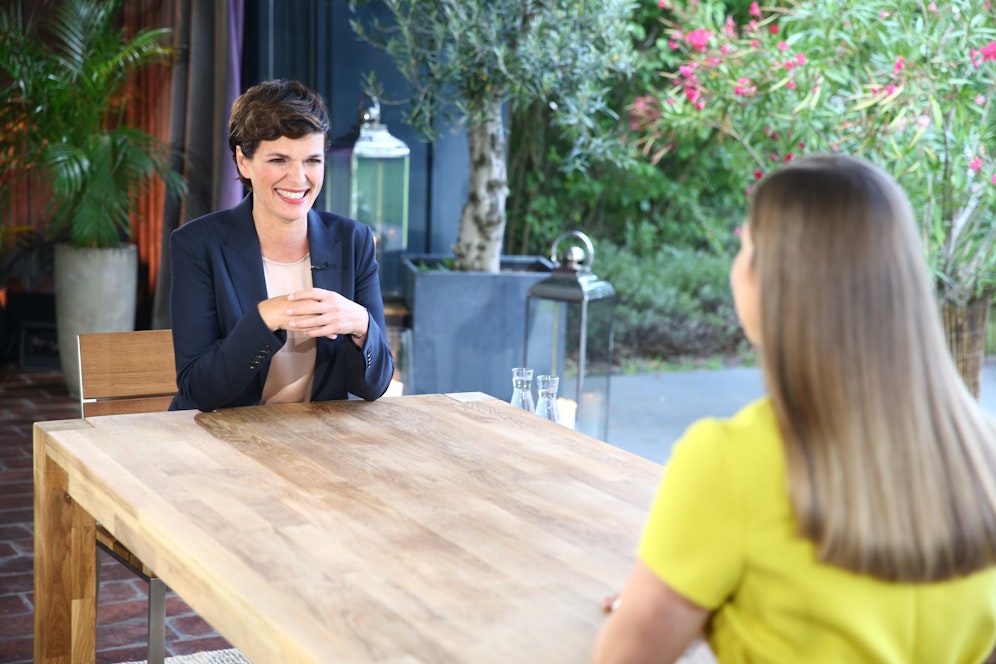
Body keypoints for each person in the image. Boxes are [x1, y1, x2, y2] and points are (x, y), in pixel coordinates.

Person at [594, 154, 996, 663]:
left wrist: (698, 609)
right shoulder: (984, 456)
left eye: (746, 248)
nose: (736, 268)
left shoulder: (726, 459)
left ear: (776, 280)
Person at [169, 79, 394, 411]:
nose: (299, 178)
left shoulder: (353, 240)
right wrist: (264, 319)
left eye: (312, 161)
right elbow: (199, 390)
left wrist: (361, 325)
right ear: (243, 161)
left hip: (315, 442)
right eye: (279, 160)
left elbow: (373, 386)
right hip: (219, 444)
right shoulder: (198, 245)